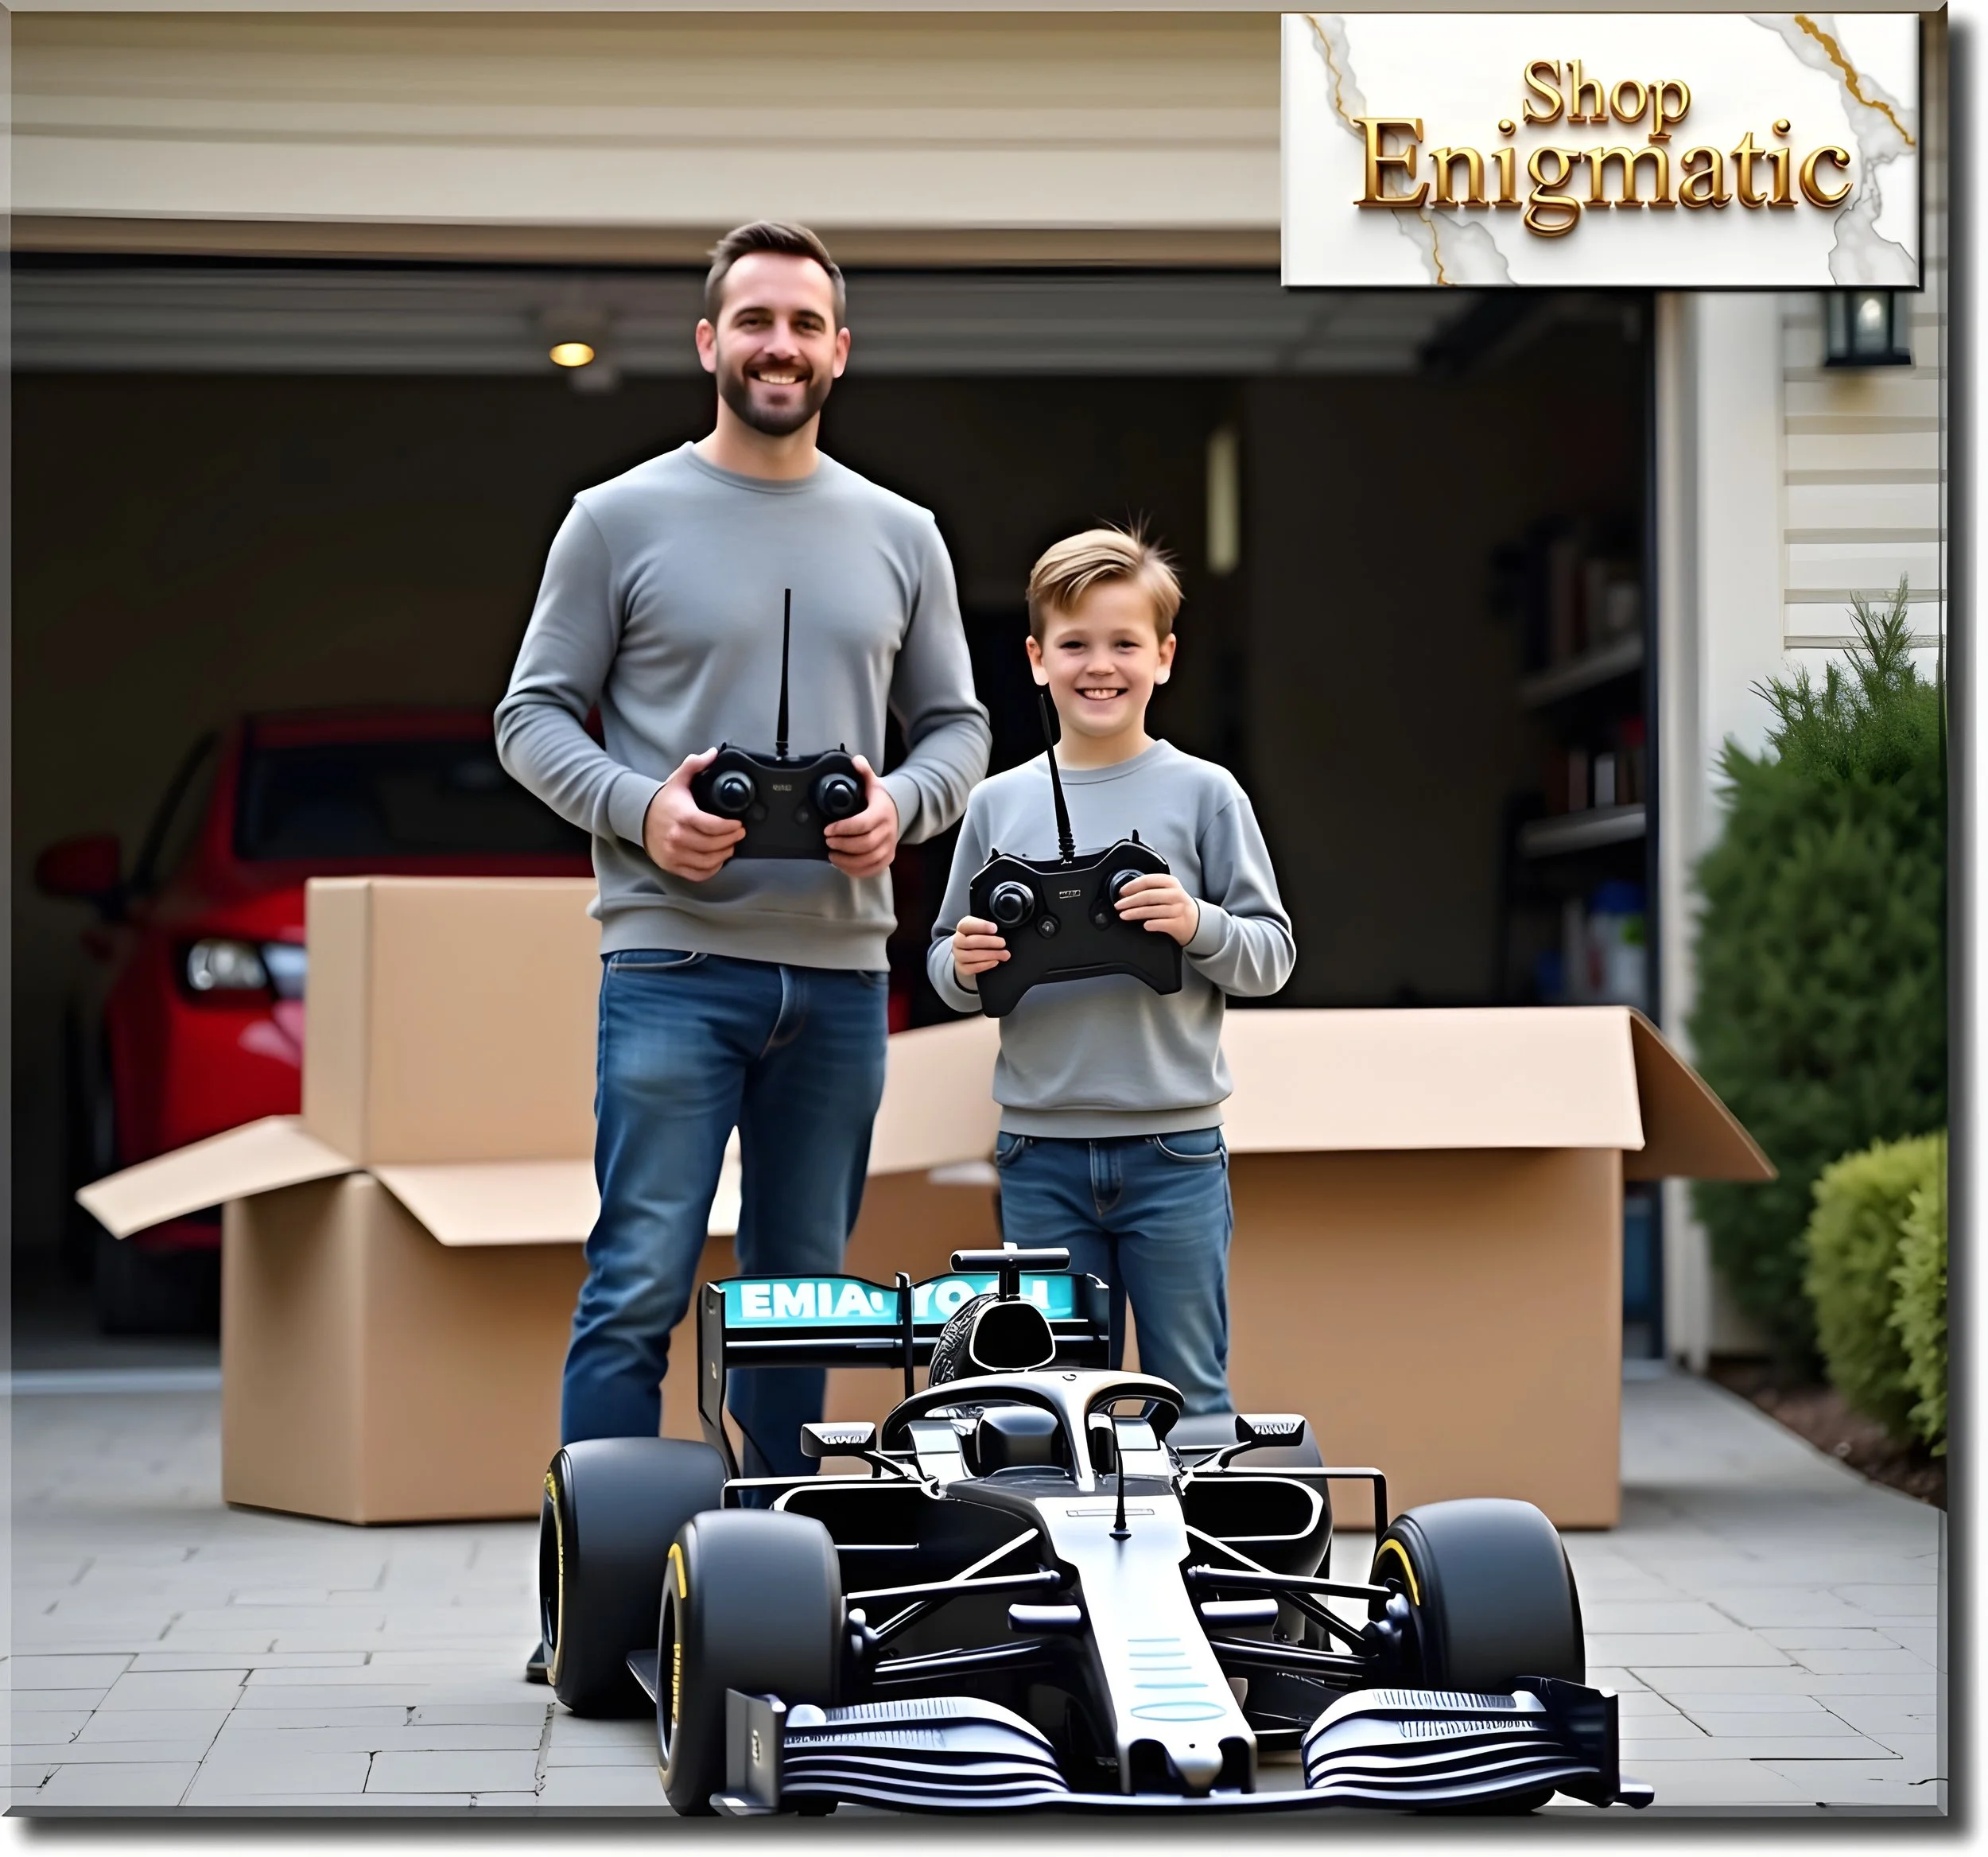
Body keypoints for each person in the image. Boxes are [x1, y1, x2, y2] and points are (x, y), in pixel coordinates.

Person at [499, 223, 989, 1675]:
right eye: (753, 321)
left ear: (841, 350)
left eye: (806, 324)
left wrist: (903, 805)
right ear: (709, 344)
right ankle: (593, 1614)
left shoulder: (904, 533)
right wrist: (642, 810)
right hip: (670, 968)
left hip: (840, 979)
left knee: (798, 1295)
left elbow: (961, 727)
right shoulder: (614, 518)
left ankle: (769, 1604)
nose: (779, 345)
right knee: (638, 1275)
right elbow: (531, 717)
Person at [926, 526, 1294, 1416]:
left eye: (1125, 642)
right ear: (1035, 659)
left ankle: (1196, 1556)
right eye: (1075, 643)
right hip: (1037, 1147)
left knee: (1191, 1395)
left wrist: (1194, 920)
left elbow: (1271, 956)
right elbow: (943, 961)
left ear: (1164, 658)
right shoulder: (996, 802)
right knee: (1046, 1398)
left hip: (1174, 1147)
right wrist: (966, 962)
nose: (1101, 665)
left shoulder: (1207, 794)